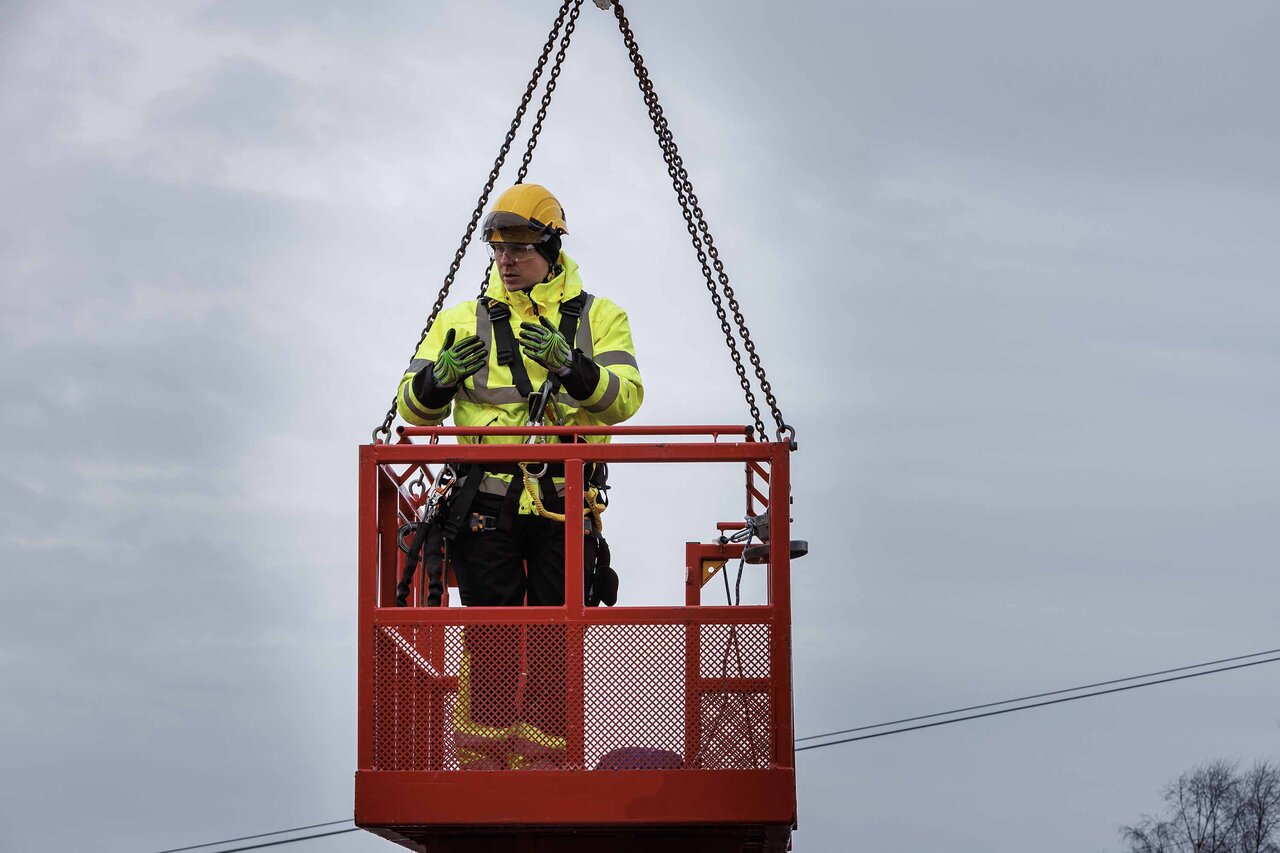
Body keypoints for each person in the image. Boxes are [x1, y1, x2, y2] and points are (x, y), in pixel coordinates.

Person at [396, 183, 643, 769]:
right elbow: (411, 406)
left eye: (521, 249)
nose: (506, 261)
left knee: (559, 638)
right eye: (498, 250)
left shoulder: (601, 318)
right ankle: (483, 767)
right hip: (485, 499)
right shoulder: (460, 321)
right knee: (493, 639)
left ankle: (545, 765)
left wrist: (573, 367)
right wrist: (441, 379)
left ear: (552, 249)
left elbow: (625, 399)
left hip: (563, 498)